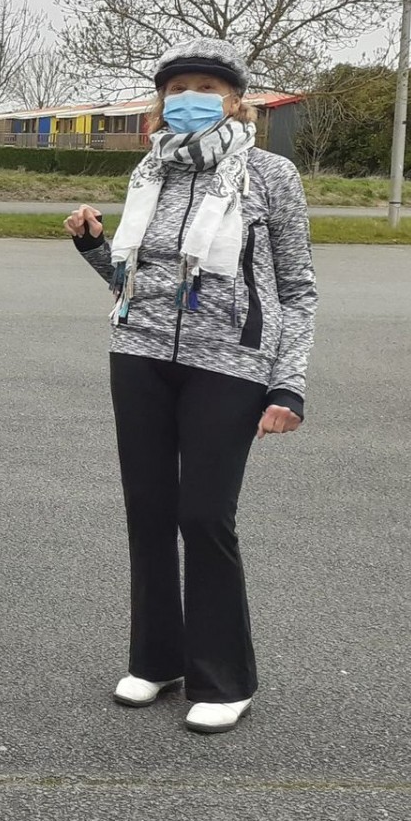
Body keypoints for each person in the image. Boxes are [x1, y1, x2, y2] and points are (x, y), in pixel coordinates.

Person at [66, 37, 315, 735]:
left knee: (204, 515)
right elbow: (136, 286)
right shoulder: (151, 173)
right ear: (162, 100)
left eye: (206, 85)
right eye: (177, 87)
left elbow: (297, 289)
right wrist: (94, 245)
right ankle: (157, 659)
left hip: (231, 366)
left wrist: (287, 385)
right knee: (147, 511)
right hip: (139, 355)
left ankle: (225, 677)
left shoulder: (270, 175)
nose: (189, 98)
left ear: (238, 100)